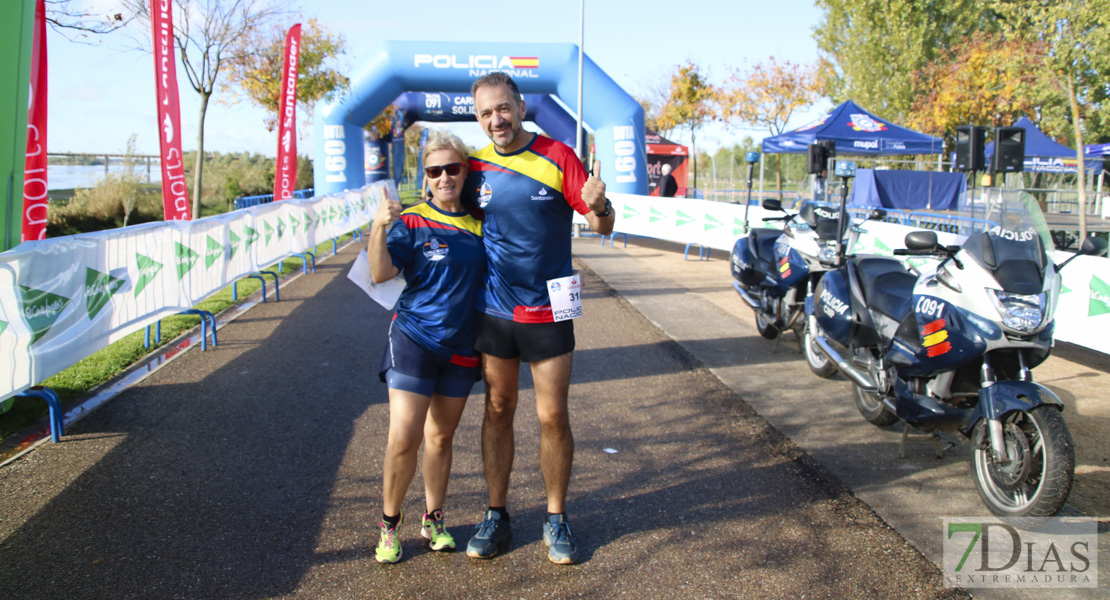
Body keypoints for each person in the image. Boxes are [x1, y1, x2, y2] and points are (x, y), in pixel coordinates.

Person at [462, 72, 614, 565]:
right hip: (494, 309)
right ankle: (496, 514)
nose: (495, 120)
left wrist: (601, 205)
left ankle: (556, 517)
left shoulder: (558, 155)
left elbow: (601, 223)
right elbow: (448, 216)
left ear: (521, 106)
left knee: (552, 416)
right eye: (485, 113)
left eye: (503, 108)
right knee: (498, 410)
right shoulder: (474, 166)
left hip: (551, 307)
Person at [367, 132, 485, 564]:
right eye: (434, 171)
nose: (444, 177)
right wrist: (378, 226)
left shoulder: (479, 220)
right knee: (404, 437)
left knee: (441, 437)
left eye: (452, 168)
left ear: (464, 170)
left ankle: (434, 519)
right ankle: (388, 524)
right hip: (414, 339)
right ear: (426, 177)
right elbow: (380, 273)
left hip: (461, 346)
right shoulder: (412, 222)